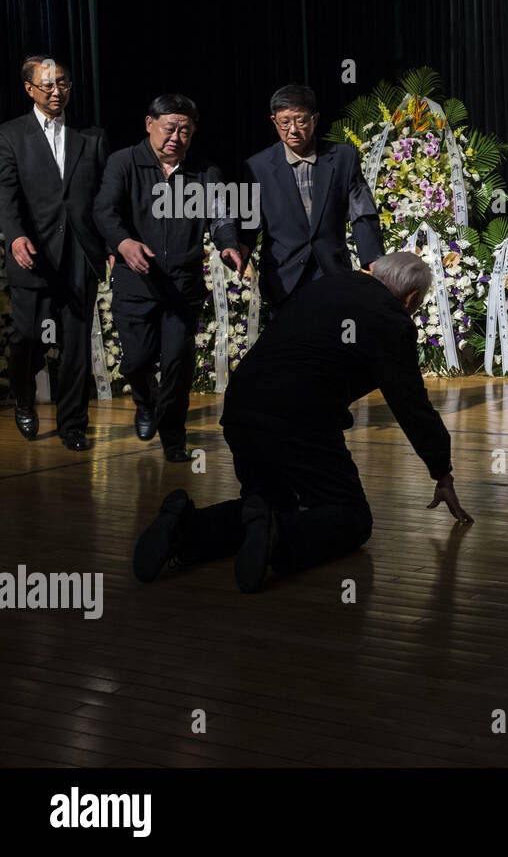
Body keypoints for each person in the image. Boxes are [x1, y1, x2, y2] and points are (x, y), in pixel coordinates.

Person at [131, 252, 473, 593]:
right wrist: (441, 470)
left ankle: (184, 529)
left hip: (242, 406)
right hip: (299, 416)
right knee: (352, 517)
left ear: (374, 270)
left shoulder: (328, 284)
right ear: (411, 299)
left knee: (266, 504)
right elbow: (412, 406)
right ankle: (279, 539)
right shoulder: (391, 321)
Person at [94, 94, 241, 461]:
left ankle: (174, 438)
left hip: (182, 287)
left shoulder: (205, 173)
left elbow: (220, 217)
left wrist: (228, 245)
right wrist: (124, 242)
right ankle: (145, 403)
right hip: (135, 282)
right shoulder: (123, 163)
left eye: (185, 131)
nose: (176, 137)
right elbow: (104, 210)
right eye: (169, 128)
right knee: (137, 361)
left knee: (177, 364)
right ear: (149, 125)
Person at [0, 56, 108, 450]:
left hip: (80, 253)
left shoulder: (91, 136)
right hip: (33, 252)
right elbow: (6, 197)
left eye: (62, 83)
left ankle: (73, 423)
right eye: (47, 84)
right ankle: (24, 398)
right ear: (29, 89)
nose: (56, 91)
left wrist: (110, 243)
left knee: (76, 342)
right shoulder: (11, 135)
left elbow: (100, 197)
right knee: (28, 336)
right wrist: (14, 237)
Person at [242, 83, 384, 312]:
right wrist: (239, 247)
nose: (293, 130)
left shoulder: (342, 158)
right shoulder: (258, 167)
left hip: (332, 273)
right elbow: (248, 220)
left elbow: (362, 211)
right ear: (274, 122)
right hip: (283, 280)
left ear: (315, 119)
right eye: (285, 122)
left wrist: (374, 259)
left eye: (301, 120)